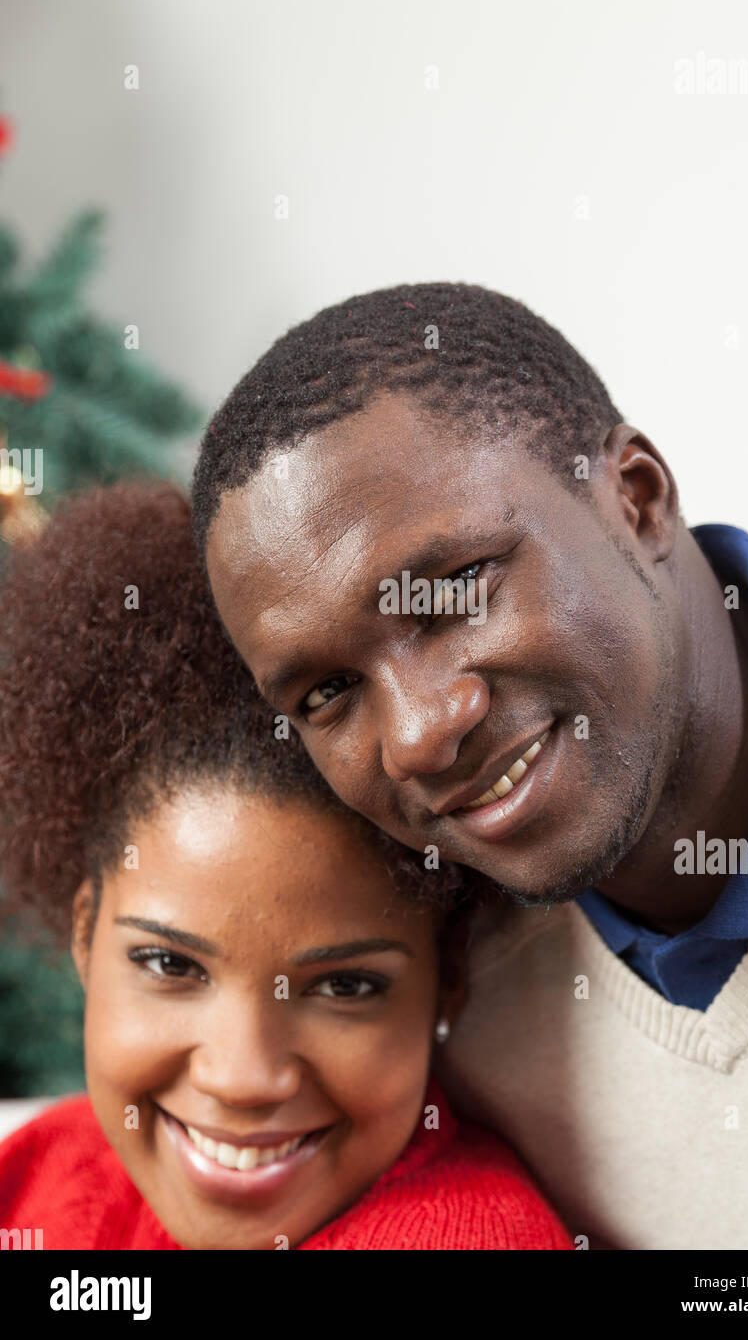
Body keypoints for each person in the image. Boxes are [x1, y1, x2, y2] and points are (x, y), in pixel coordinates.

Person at [191, 280, 748, 1250]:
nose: (418, 733)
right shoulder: (437, 994)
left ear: (634, 499)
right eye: (327, 693)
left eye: (458, 588)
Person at [0, 482, 572, 1251]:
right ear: (83, 937)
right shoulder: (43, 1169)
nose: (241, 1078)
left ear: (448, 983)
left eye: (345, 986)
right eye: (168, 963)